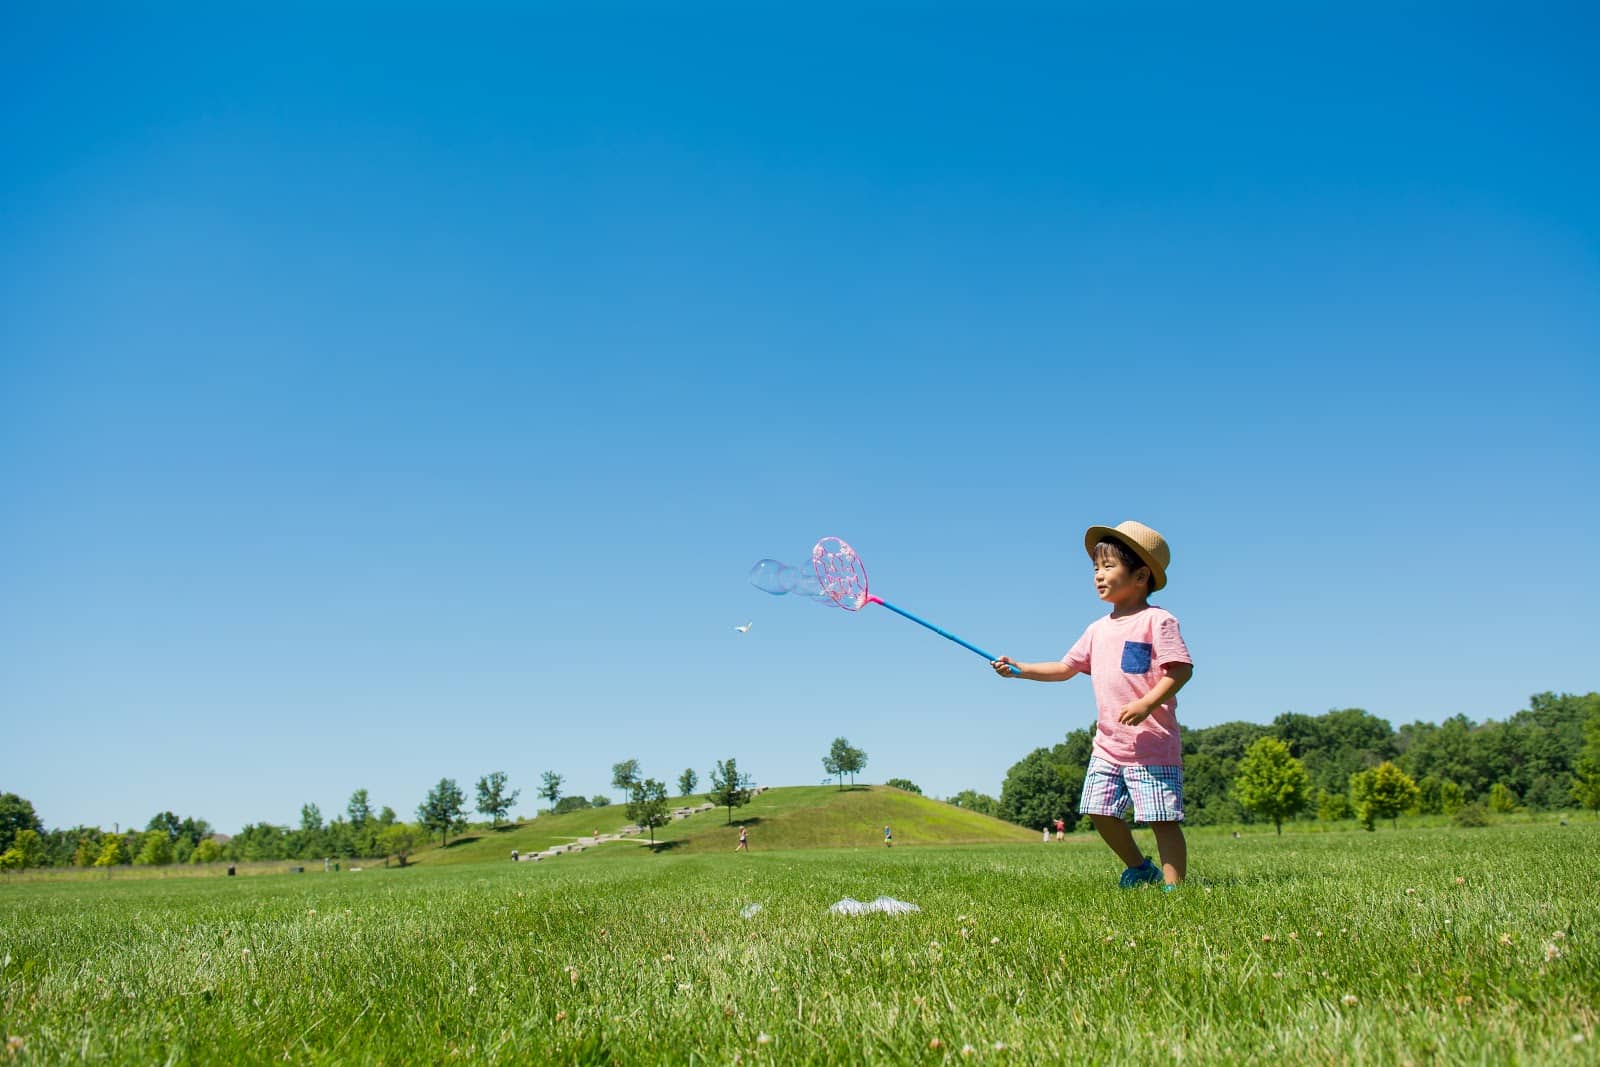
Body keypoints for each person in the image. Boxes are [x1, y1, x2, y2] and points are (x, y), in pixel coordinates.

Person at [993, 521, 1193, 890]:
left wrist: (1148, 703)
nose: (1098, 576)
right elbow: (1065, 667)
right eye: (1095, 569)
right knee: (1099, 811)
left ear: (1141, 575)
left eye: (1108, 567)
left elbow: (1180, 670)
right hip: (1108, 744)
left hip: (1152, 744)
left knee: (1162, 820)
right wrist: (1020, 669)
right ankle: (1139, 866)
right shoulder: (1097, 629)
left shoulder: (1158, 621)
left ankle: (1174, 889)